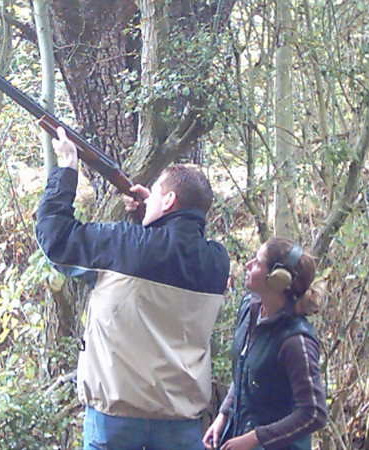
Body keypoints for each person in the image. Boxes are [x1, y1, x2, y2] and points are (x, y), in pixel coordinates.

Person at [35, 127, 230, 449]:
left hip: (116, 418)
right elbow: (165, 255)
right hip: (181, 422)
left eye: (155, 193)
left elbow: (55, 238)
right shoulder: (216, 262)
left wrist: (67, 167)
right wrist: (151, 217)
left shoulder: (124, 242)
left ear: (168, 200)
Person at [203, 237, 327, 450]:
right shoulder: (249, 308)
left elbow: (314, 413)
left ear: (277, 279)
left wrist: (255, 438)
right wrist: (223, 416)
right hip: (240, 435)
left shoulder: (296, 342)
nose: (249, 265)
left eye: (258, 263)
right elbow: (244, 369)